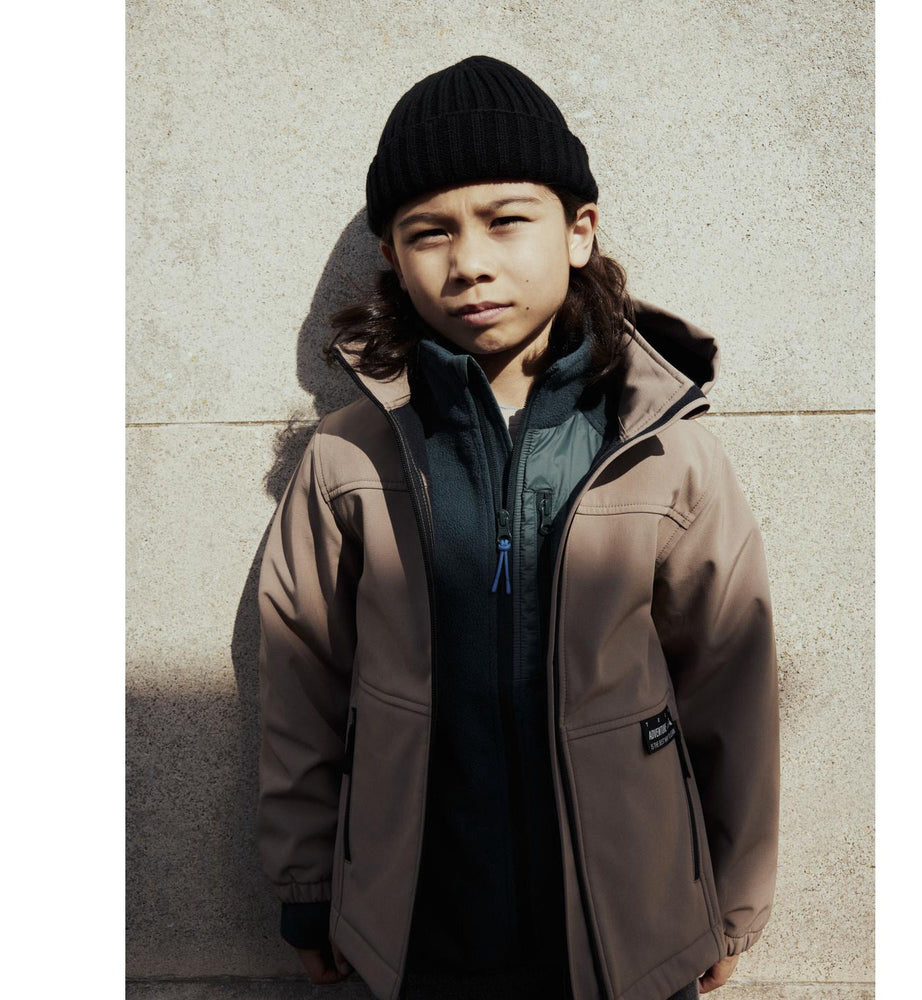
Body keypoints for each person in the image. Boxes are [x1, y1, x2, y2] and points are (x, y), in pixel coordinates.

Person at [256, 55, 779, 1000]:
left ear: (579, 231)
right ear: (392, 258)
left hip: (629, 927)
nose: (469, 262)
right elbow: (302, 681)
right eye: (429, 232)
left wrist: (732, 899)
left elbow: (730, 682)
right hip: (418, 930)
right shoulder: (347, 458)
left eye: (506, 220)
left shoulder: (662, 447)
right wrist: (304, 884)